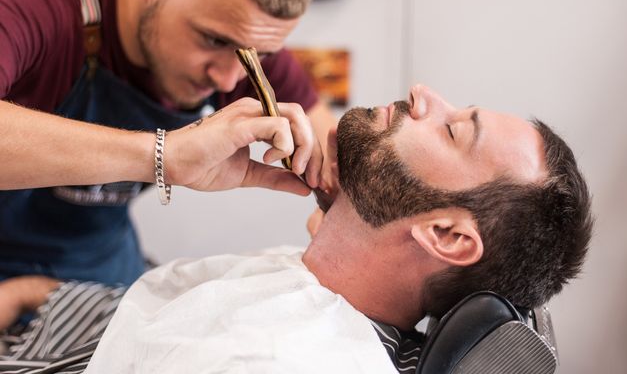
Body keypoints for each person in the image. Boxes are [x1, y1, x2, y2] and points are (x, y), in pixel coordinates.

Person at [0, 84, 593, 373]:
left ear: (446, 235)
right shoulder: (314, 284)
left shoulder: (288, 358)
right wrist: (28, 293)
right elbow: (140, 314)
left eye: (454, 130)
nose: (423, 95)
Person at [0, 0, 335, 287]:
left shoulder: (244, 42)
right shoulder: (38, 1)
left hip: (98, 271)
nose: (228, 80)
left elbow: (329, 151)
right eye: (211, 40)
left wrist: (337, 207)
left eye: (257, 55)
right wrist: (166, 155)